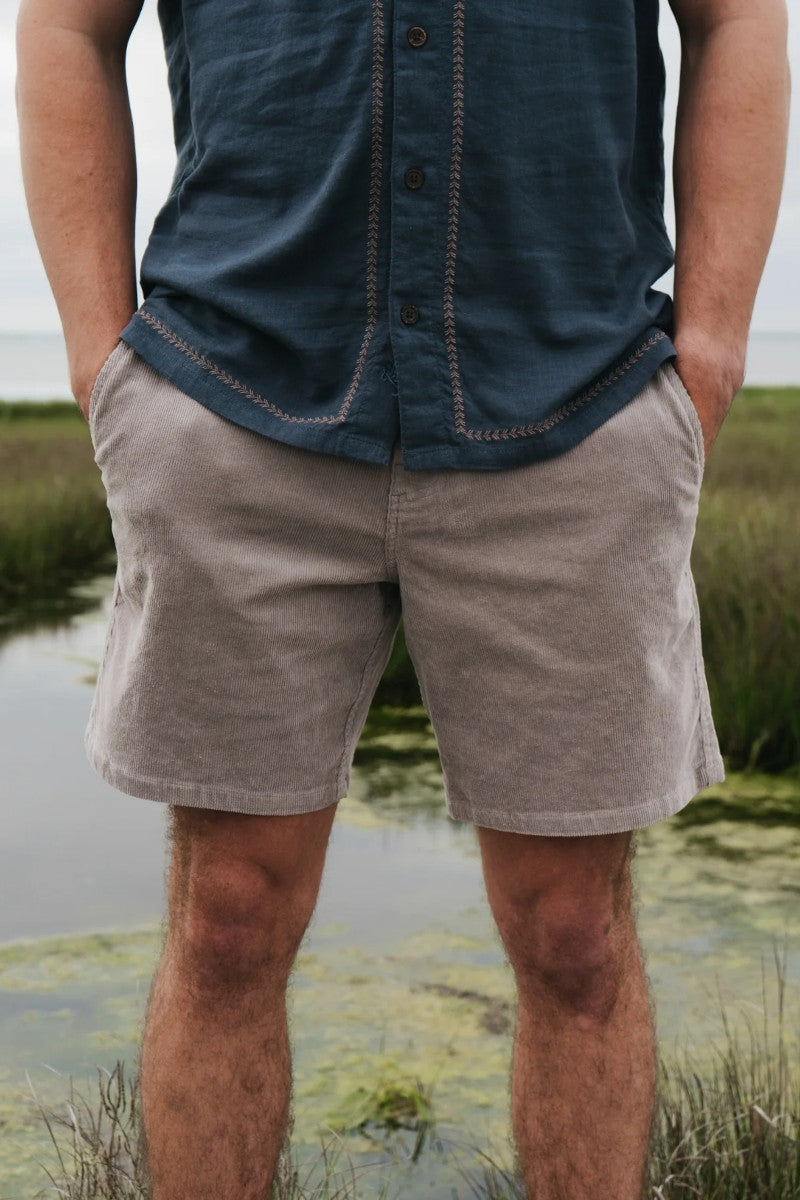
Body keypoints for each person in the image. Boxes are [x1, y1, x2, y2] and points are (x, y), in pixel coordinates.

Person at [16, 0, 790, 1195]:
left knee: (573, 940)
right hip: (232, 390)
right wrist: (96, 355)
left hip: (572, 396)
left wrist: (714, 347)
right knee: (225, 920)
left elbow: (735, 17)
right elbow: (66, 27)